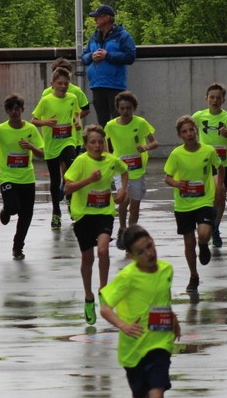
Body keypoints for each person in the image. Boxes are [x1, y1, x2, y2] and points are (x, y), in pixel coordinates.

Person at [99, 225, 179, 398]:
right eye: (141, 251)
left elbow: (162, 299)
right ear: (132, 256)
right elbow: (105, 308)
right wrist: (123, 324)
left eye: (150, 246)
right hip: (133, 348)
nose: (149, 253)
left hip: (160, 342)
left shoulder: (167, 269)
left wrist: (173, 319)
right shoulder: (128, 277)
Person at [63, 125, 128, 325]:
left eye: (101, 142)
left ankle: (103, 290)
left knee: (103, 251)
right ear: (86, 145)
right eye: (93, 142)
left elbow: (124, 171)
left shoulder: (111, 161)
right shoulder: (81, 162)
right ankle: (88, 296)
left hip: (104, 213)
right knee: (88, 258)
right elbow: (66, 188)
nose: (97, 146)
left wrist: (122, 190)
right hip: (83, 215)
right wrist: (89, 180)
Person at [163, 116, 222, 293]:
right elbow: (167, 177)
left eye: (191, 130)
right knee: (189, 244)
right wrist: (176, 184)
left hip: (204, 200)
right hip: (183, 204)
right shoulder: (176, 154)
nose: (189, 134)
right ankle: (194, 276)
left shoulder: (208, 150)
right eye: (184, 132)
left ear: (196, 130)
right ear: (180, 135)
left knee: (203, 233)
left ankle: (203, 245)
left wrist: (220, 188)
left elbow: (220, 167)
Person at [0, 94, 44, 260]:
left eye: (17, 109)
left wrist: (31, 147)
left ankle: (18, 247)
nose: (15, 113)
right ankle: (6, 211)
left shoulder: (30, 129)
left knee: (26, 215)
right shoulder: (0, 129)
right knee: (12, 207)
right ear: (7, 111)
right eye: (11, 109)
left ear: (23, 110)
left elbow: (42, 154)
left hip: (27, 177)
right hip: (7, 176)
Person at [191, 83, 227, 247]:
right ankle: (206, 224)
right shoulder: (199, 116)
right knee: (211, 194)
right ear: (206, 99)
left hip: (223, 164)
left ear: (223, 100)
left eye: (218, 98)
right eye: (212, 97)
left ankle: (215, 228)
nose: (215, 100)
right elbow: (186, 129)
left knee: (220, 198)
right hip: (205, 164)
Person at [103, 91, 157, 249]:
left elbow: (155, 142)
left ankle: (131, 232)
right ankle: (122, 228)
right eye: (122, 108)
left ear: (134, 108)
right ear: (117, 109)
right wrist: (108, 157)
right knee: (123, 199)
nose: (125, 111)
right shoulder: (111, 125)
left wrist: (145, 147)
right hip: (120, 169)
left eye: (128, 108)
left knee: (134, 205)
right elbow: (105, 142)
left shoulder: (141, 123)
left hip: (137, 169)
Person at [32, 68, 82, 229]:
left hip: (68, 141)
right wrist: (46, 123)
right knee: (55, 180)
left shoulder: (73, 98)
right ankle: (56, 212)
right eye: (60, 83)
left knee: (72, 173)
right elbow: (34, 120)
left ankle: (72, 205)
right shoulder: (46, 100)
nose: (63, 86)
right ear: (52, 84)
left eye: (66, 83)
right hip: (52, 144)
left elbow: (76, 112)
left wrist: (77, 120)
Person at [81, 5, 137, 126]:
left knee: (118, 121)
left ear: (106, 18)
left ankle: (117, 145)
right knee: (103, 123)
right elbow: (84, 58)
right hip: (97, 85)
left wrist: (108, 55)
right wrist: (92, 56)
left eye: (97, 17)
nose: (95, 20)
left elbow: (130, 56)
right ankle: (105, 145)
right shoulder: (94, 36)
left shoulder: (123, 35)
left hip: (115, 86)